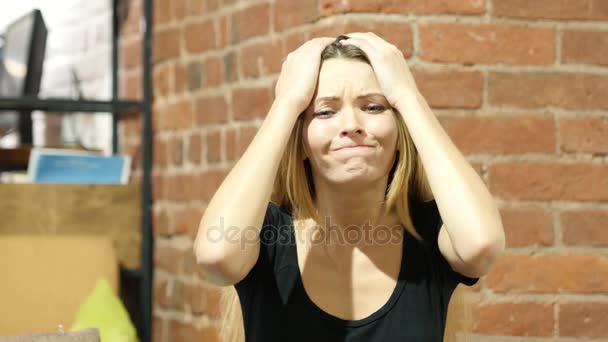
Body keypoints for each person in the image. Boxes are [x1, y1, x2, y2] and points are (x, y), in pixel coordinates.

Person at [194, 32, 505, 342]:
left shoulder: (429, 234)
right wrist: (286, 103)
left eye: (373, 107)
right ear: (299, 140)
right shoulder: (267, 237)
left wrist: (408, 97)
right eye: (325, 111)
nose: (352, 125)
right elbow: (216, 256)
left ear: (399, 133)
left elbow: (482, 246)